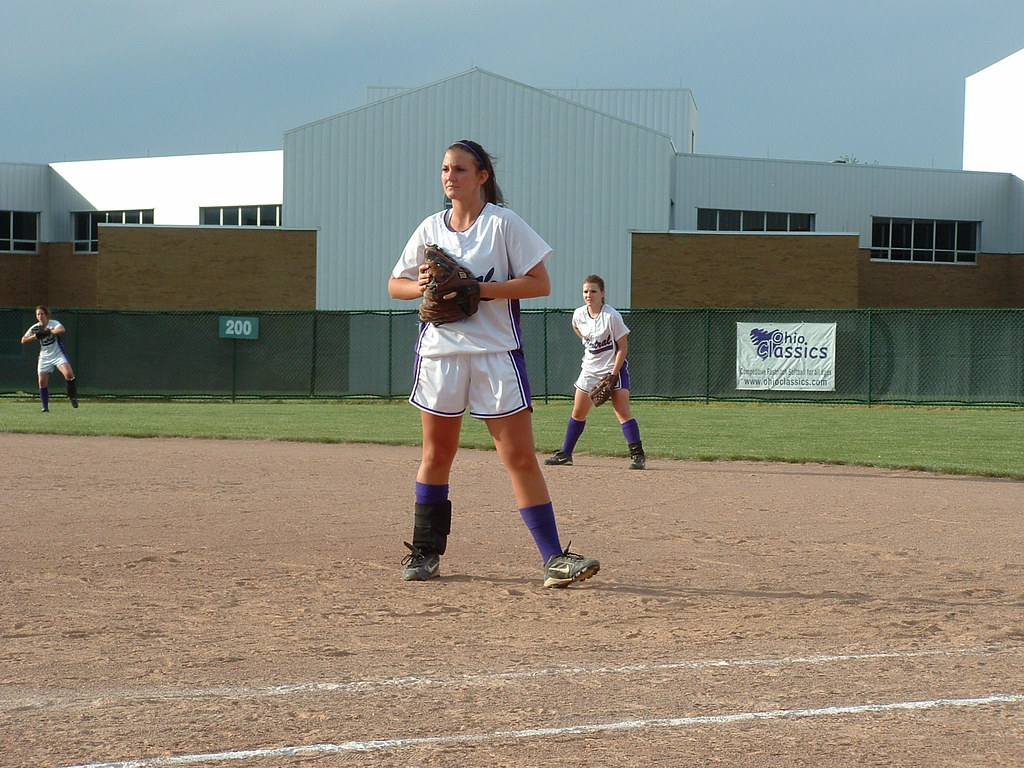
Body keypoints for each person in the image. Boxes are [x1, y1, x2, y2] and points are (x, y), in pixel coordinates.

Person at [388, 139, 599, 588]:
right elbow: (395, 285)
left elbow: (540, 284)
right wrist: (421, 286)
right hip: (441, 354)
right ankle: (425, 553)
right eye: (446, 169)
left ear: (482, 176)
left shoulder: (502, 224)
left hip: (495, 354)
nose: (450, 176)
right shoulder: (430, 228)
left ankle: (553, 559)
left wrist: (479, 290)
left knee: (519, 456)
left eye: (461, 169)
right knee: (437, 455)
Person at [544, 275, 646, 469]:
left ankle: (637, 456)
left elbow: (623, 348)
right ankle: (566, 453)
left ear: (602, 294)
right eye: (585, 291)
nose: (588, 295)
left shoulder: (611, 316)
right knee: (578, 412)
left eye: (593, 291)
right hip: (589, 370)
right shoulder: (579, 314)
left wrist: (614, 374)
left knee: (622, 411)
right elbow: (577, 328)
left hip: (613, 369)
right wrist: (587, 341)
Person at [21, 305, 79, 412]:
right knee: (42, 382)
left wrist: (49, 332)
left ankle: (72, 396)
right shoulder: (36, 327)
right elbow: (23, 340)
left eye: (42, 313)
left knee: (69, 374)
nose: (40, 316)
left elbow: (61, 329)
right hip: (45, 357)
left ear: (46, 315)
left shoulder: (53, 323)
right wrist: (34, 336)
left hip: (57, 354)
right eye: (38, 314)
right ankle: (45, 408)